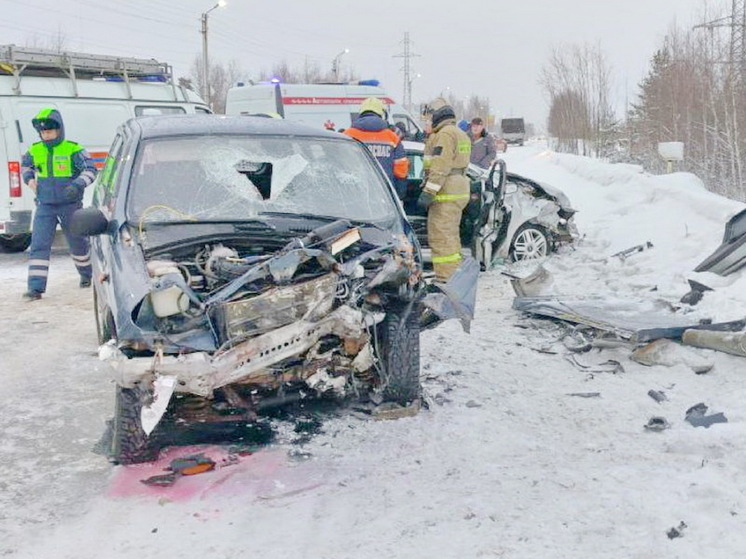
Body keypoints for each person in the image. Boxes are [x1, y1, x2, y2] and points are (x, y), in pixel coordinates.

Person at [21, 108, 98, 301]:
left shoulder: (73, 149)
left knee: (78, 243)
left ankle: (87, 275)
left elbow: (91, 170)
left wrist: (78, 184)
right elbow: (26, 167)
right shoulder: (34, 149)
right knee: (39, 245)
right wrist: (29, 179)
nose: (46, 135)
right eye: (43, 132)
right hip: (45, 206)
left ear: (59, 130)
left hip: (70, 206)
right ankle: (35, 288)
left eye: (49, 131)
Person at [418, 98, 472, 282]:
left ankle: (445, 279)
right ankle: (455, 275)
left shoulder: (445, 135)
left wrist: (428, 192)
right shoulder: (459, 133)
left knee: (441, 237)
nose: (427, 121)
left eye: (429, 117)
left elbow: (440, 165)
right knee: (450, 237)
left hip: (446, 191)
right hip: (458, 188)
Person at [343, 97, 409, 199]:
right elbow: (401, 169)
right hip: (384, 194)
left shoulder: (348, 134)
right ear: (381, 114)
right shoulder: (391, 137)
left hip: (354, 193)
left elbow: (341, 164)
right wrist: (399, 194)